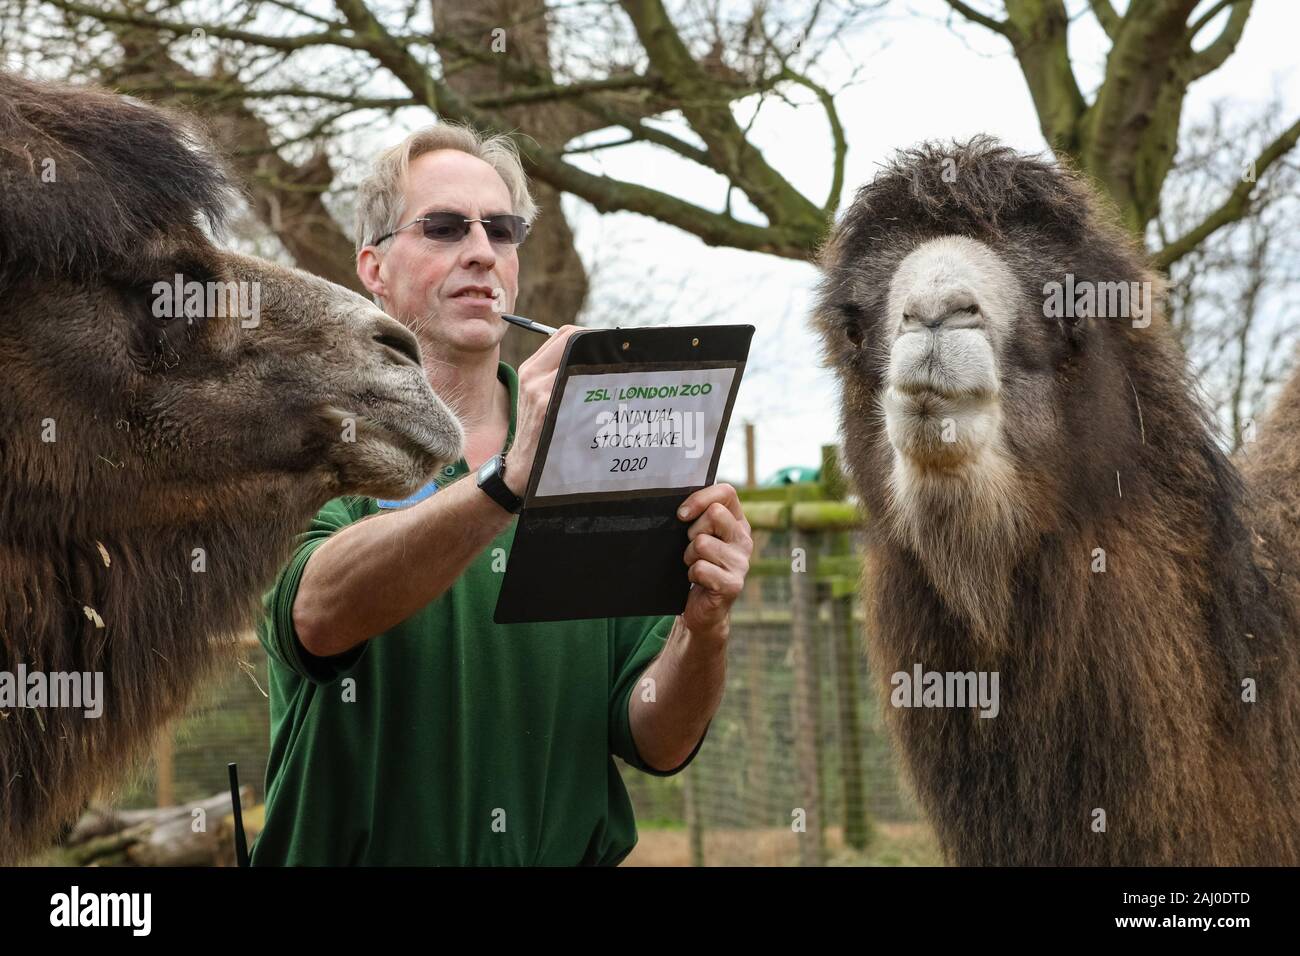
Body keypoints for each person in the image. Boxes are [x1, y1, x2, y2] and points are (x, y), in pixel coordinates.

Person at [251, 123, 753, 865]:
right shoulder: (311, 438)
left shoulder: (602, 452)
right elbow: (317, 617)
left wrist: (703, 629)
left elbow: (656, 737)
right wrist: (507, 482)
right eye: (445, 227)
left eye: (502, 230)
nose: (481, 251)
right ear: (374, 266)